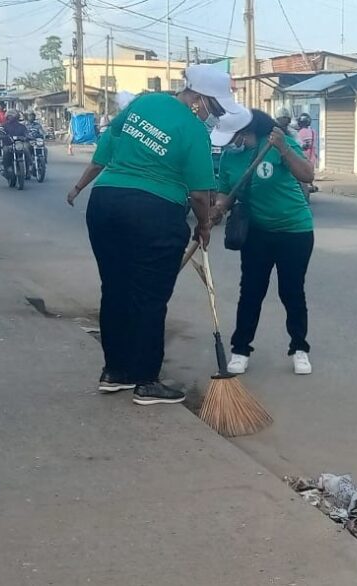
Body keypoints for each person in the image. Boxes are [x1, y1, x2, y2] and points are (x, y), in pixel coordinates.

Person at [65, 64, 240, 406]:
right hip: (153, 213)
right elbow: (200, 194)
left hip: (105, 204)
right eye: (214, 107)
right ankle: (146, 380)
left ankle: (115, 373)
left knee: (115, 289)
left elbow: (106, 149)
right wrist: (204, 226)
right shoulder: (192, 129)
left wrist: (80, 186)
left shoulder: (143, 104)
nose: (213, 115)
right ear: (198, 99)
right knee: (149, 297)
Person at [209, 108, 316, 376]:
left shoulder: (278, 143)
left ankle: (299, 348)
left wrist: (283, 148)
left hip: (295, 231)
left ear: (248, 131)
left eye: (237, 137)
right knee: (251, 292)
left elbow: (307, 175)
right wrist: (219, 207)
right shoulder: (230, 158)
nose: (234, 143)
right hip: (257, 233)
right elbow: (225, 193)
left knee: (291, 291)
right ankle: (240, 349)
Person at [0, 110, 32, 176]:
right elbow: (0, 133)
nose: (10, 118)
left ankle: (28, 168)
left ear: (16, 117)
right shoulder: (4, 126)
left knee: (26, 149)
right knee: (5, 151)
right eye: (9, 116)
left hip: (20, 144)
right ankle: (6, 169)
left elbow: (26, 133)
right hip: (9, 144)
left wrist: (27, 137)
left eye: (12, 116)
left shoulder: (22, 126)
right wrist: (0, 135)